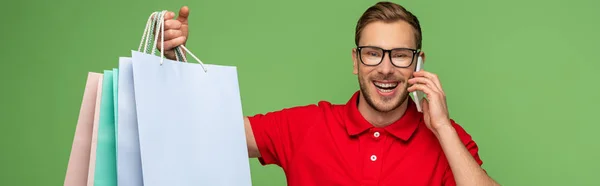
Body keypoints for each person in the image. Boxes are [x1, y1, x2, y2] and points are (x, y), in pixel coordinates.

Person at [158, 1, 500, 186]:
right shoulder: (306, 125)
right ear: (356, 61)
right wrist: (175, 62)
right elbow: (210, 134)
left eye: (399, 54)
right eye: (372, 53)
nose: (385, 68)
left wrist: (442, 128)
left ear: (418, 63)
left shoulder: (449, 141)